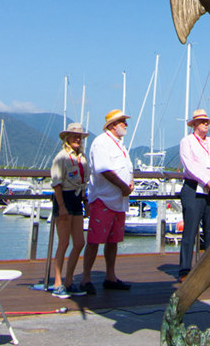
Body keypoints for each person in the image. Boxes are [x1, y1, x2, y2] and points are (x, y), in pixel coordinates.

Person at [80, 109, 135, 294]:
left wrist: (130, 183)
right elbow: (105, 170)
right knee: (94, 240)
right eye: (122, 122)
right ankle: (86, 278)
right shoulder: (101, 143)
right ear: (112, 125)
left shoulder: (120, 145)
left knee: (113, 241)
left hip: (119, 201)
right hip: (103, 199)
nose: (126, 125)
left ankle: (110, 276)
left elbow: (126, 168)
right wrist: (122, 186)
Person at [177, 108, 210, 282]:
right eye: (203, 121)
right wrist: (206, 180)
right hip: (193, 188)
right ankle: (185, 269)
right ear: (195, 124)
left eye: (207, 122)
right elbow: (189, 164)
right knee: (190, 230)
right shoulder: (187, 141)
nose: (206, 124)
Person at [50, 122, 90, 298]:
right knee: (64, 242)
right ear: (67, 138)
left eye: (80, 136)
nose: (78, 139)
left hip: (76, 199)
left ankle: (69, 280)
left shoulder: (82, 158)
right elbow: (57, 184)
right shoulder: (61, 157)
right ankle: (58, 283)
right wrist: (62, 207)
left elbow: (84, 183)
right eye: (74, 136)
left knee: (79, 242)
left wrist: (86, 203)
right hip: (64, 199)